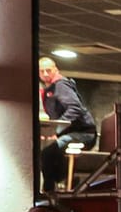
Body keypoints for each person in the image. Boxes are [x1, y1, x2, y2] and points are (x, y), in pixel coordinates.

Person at [37, 56, 97, 196]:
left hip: (84, 134)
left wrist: (57, 129)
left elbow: (75, 108)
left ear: (55, 70)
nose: (45, 74)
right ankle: (56, 187)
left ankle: (48, 192)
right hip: (71, 133)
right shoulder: (50, 88)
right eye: (41, 71)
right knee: (48, 152)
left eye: (48, 70)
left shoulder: (61, 85)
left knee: (47, 153)